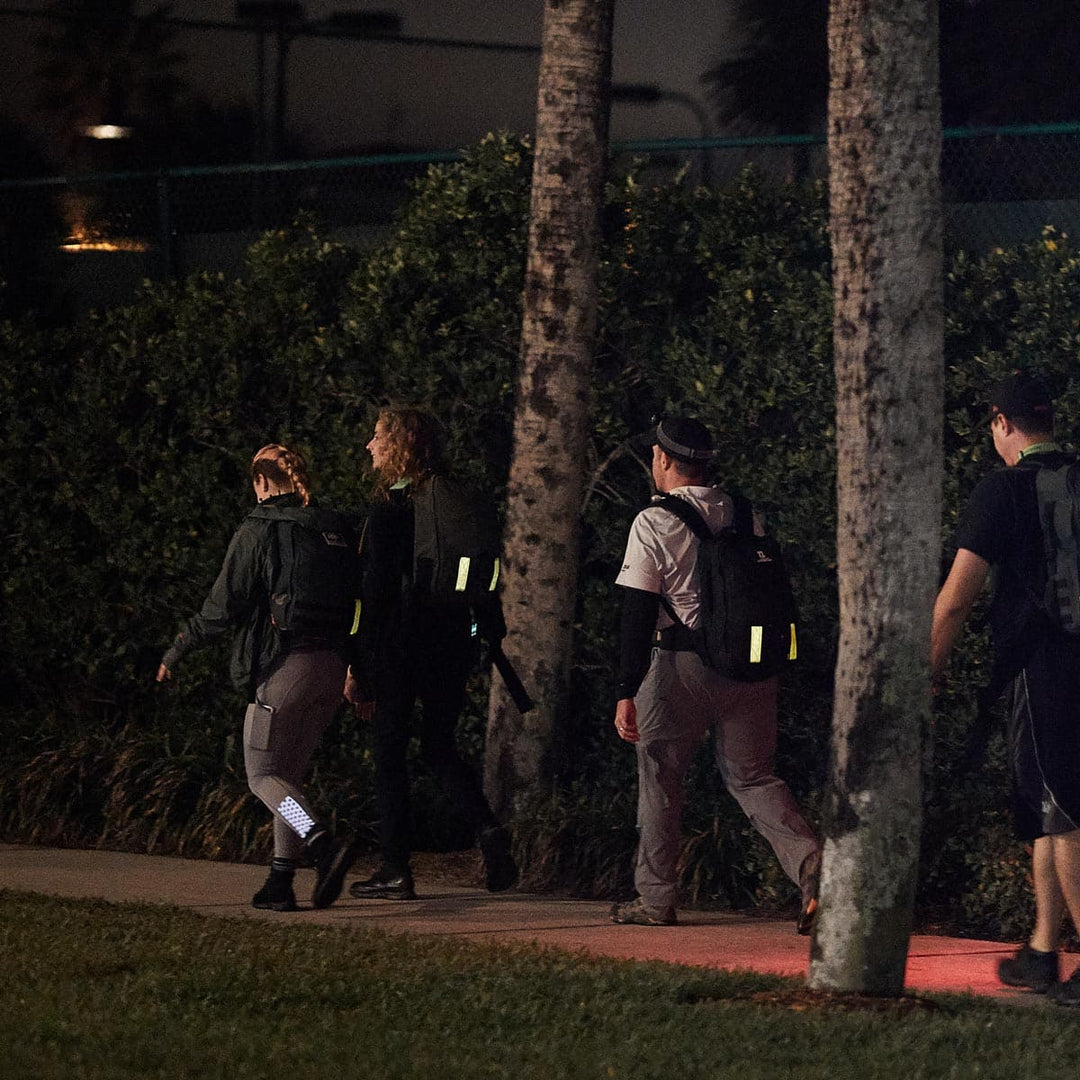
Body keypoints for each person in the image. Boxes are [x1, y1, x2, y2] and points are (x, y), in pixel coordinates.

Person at [611, 416, 821, 931]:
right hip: (749, 667)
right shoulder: (744, 514)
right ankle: (820, 877)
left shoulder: (653, 522)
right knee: (754, 778)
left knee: (661, 778)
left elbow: (637, 614)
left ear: (663, 460)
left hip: (680, 668)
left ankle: (655, 899)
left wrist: (625, 691)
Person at [157, 443, 360, 912]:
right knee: (285, 778)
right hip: (331, 671)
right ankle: (280, 882)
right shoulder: (333, 528)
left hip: (283, 670)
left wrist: (179, 647)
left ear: (261, 482)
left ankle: (322, 843)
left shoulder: (260, 527)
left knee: (262, 777)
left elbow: (222, 605)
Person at [931, 372, 1080, 1005]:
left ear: (1001, 422)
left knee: (1067, 809)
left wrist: (927, 672)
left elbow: (957, 599)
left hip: (1040, 662)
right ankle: (1043, 951)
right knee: (1045, 806)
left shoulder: (1001, 492)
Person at [347, 406, 517, 900]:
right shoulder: (453, 499)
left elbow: (375, 595)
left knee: (389, 755)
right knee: (439, 746)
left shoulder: (390, 508)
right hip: (452, 638)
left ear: (398, 445)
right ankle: (488, 830)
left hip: (402, 644)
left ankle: (395, 867)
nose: (369, 446)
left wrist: (359, 667)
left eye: (377, 436)